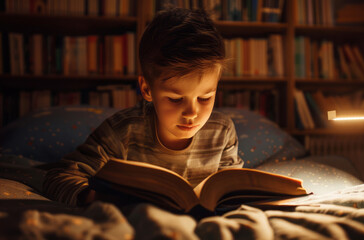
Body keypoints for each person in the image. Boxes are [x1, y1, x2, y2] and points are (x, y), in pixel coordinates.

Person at [43, 7, 243, 207]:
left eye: (205, 98)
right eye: (175, 99)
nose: (192, 113)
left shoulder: (222, 132)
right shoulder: (123, 131)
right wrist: (93, 198)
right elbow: (59, 177)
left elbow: (229, 189)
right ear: (147, 89)